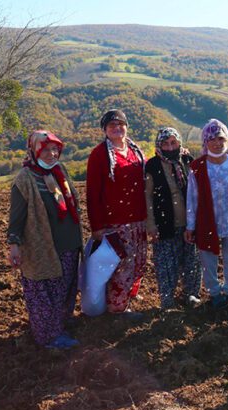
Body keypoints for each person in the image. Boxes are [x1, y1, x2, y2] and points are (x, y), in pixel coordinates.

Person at [7, 130, 82, 348]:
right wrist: (14, 246)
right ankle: (48, 337)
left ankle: (60, 325)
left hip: (68, 243)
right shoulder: (25, 180)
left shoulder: (60, 171)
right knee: (44, 293)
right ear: (34, 150)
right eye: (45, 149)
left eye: (55, 149)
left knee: (65, 287)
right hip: (43, 248)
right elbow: (17, 218)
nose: (51, 154)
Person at [185, 119, 228, 309]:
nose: (217, 142)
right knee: (208, 260)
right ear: (205, 142)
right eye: (212, 139)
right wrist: (191, 225)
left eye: (221, 138)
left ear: (227, 139)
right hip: (208, 221)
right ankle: (215, 293)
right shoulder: (197, 167)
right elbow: (192, 198)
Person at [86, 109, 147, 315]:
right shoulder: (99, 155)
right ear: (104, 129)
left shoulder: (135, 151)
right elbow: (93, 193)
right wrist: (97, 227)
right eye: (111, 125)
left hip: (139, 219)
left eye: (121, 124)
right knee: (122, 265)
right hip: (116, 222)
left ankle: (126, 297)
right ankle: (116, 308)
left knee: (138, 261)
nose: (117, 128)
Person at [145, 127, 201, 309]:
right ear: (159, 145)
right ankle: (167, 302)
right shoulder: (152, 166)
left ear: (179, 143)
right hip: (165, 224)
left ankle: (191, 294)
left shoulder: (186, 161)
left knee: (192, 260)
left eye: (173, 143)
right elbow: (147, 197)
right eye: (165, 144)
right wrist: (151, 225)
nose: (170, 147)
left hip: (189, 223)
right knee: (166, 265)